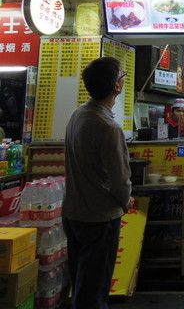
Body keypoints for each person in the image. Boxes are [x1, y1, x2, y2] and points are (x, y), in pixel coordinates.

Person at [62, 57, 134, 309]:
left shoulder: (78, 114)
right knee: (94, 289)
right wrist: (126, 201)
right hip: (99, 218)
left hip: (73, 213)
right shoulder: (108, 126)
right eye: (122, 75)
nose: (124, 79)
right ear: (116, 86)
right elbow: (120, 179)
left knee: (81, 282)